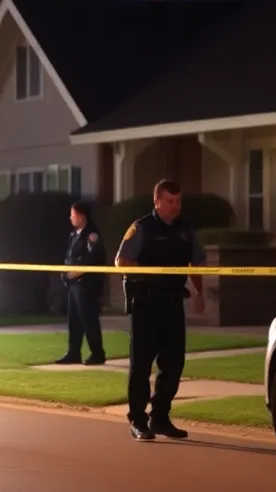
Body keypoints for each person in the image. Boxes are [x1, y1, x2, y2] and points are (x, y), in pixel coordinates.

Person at [114, 178, 207, 441]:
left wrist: (199, 293)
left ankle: (160, 418)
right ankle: (138, 420)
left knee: (174, 364)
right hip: (146, 305)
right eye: (169, 201)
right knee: (141, 366)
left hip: (173, 304)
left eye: (178, 201)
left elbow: (196, 263)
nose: (175, 206)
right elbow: (121, 261)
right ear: (157, 202)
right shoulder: (142, 227)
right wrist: (148, 273)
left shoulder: (185, 230)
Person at [55, 201, 107, 366]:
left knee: (88, 318)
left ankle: (97, 353)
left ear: (82, 217)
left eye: (73, 214)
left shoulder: (91, 235)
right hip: (73, 284)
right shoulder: (74, 235)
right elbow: (69, 257)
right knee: (74, 319)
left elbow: (93, 258)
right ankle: (73, 352)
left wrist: (77, 272)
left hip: (86, 284)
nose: (70, 218)